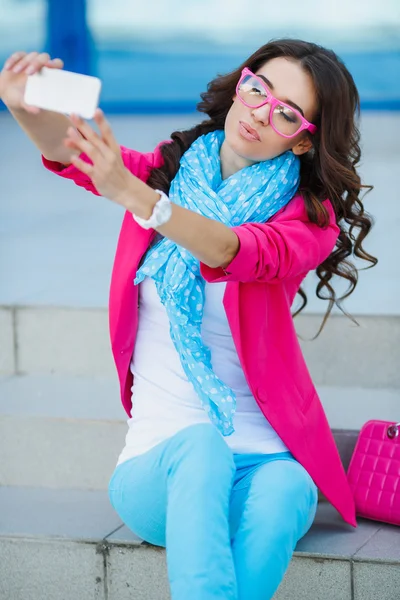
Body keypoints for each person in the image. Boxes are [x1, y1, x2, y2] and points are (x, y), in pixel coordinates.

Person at [1, 39, 377, 600]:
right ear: (241, 84)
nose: (259, 112)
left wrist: (142, 200)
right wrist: (23, 107)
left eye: (286, 113)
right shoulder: (170, 170)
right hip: (162, 466)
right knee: (201, 446)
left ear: (304, 141)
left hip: (261, 463)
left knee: (288, 486)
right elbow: (77, 155)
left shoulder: (309, 224)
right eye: (258, 89)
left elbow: (234, 251)